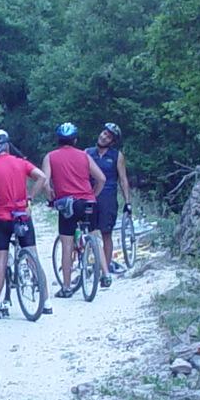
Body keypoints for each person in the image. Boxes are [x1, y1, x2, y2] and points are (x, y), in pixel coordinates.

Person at [0, 129, 50, 320]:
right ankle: (46, 303)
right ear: (7, 146)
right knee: (33, 258)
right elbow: (42, 177)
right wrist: (30, 196)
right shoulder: (21, 163)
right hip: (22, 215)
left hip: (3, 219)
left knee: (0, 262)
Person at [42, 122, 108, 295]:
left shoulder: (50, 157)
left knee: (67, 244)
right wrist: (93, 194)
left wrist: (51, 199)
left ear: (58, 140)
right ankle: (106, 274)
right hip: (89, 202)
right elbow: (101, 178)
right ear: (75, 140)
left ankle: (66, 287)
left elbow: (44, 182)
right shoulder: (85, 155)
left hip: (68, 205)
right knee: (95, 236)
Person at [87, 121, 132, 276]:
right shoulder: (87, 152)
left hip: (108, 198)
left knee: (106, 233)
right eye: (104, 133)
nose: (104, 137)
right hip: (90, 196)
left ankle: (104, 270)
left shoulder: (117, 156)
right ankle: (85, 264)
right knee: (88, 232)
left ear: (112, 142)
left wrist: (128, 202)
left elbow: (123, 179)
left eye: (109, 136)